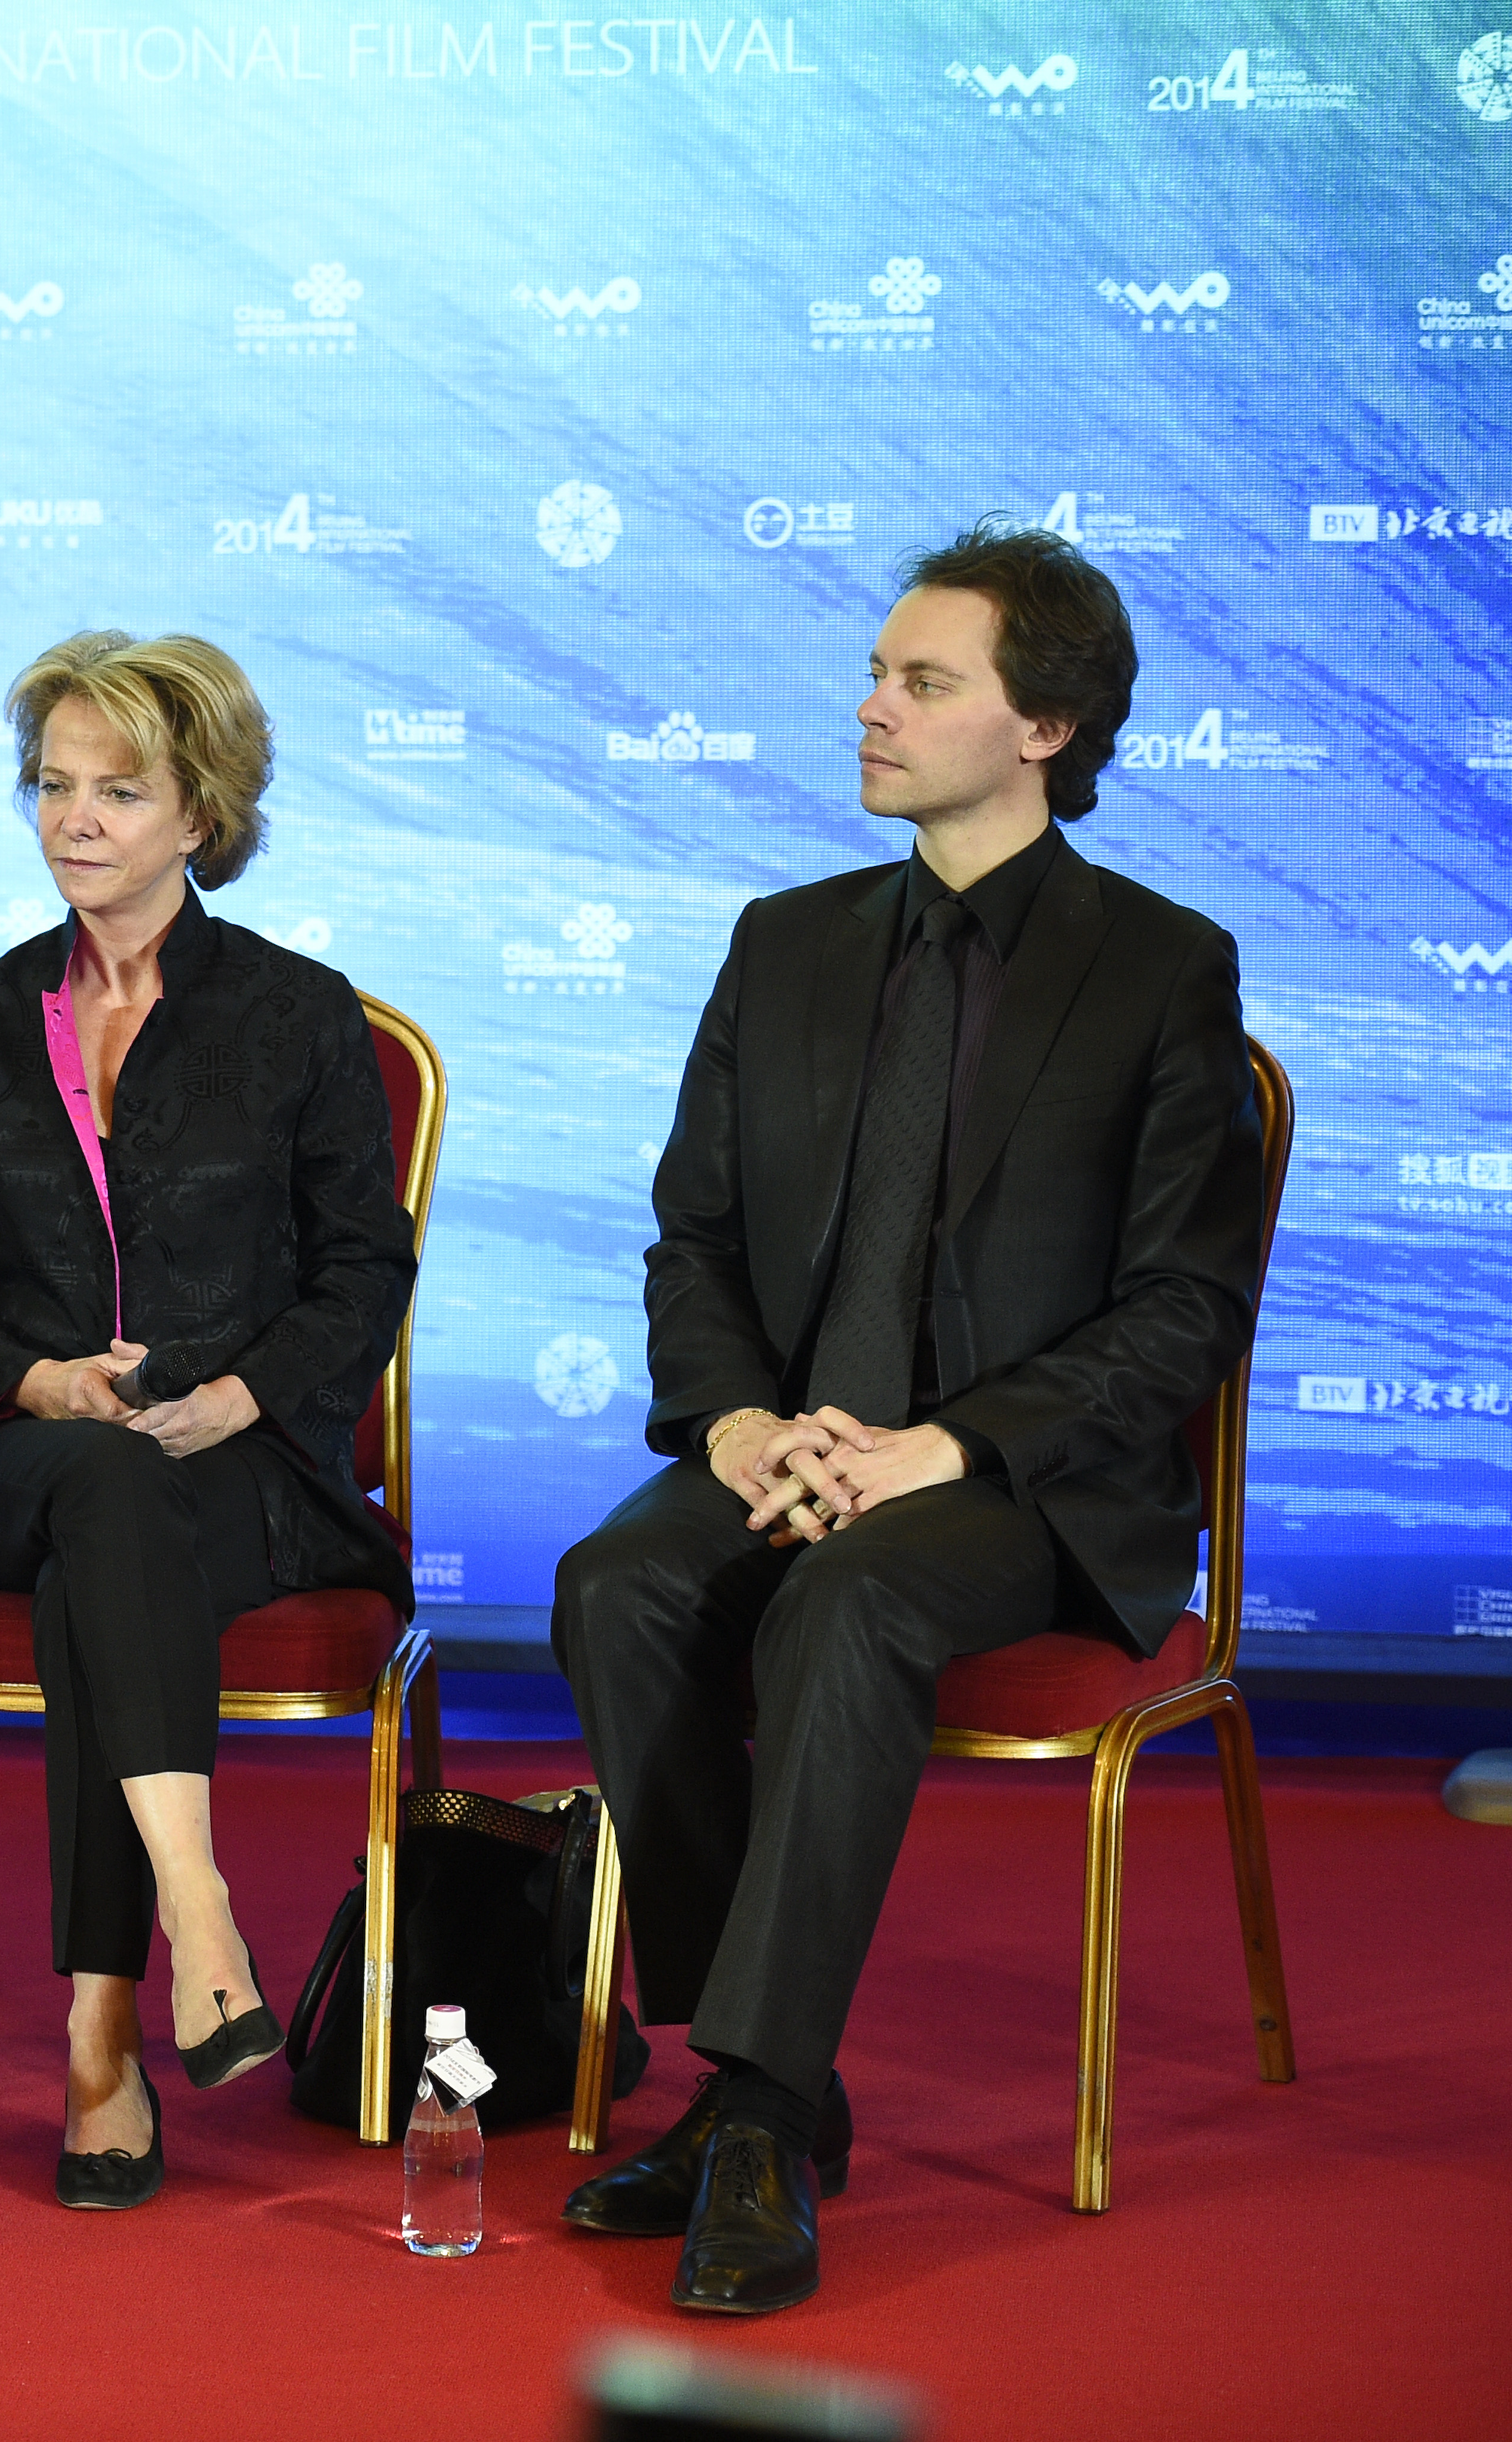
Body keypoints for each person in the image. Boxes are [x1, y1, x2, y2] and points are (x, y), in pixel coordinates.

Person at [551, 522, 1265, 2314]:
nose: (870, 706)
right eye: (877, 671)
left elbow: (1184, 1306)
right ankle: (762, 2075)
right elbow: (691, 1235)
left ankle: (759, 2118)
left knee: (850, 1598)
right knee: (616, 1584)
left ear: (1046, 725)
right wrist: (729, 1429)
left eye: (922, 682)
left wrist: (938, 1448)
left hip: (1019, 1481)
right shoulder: (782, 943)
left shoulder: (1162, 968)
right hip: (789, 1444)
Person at [0, 630, 419, 2209]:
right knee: (101, 1486)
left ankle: (105, 2033)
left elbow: (362, 1270)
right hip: (19, 1455)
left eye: (120, 788)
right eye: (53, 784)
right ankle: (202, 1916)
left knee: (115, 1545)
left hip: (247, 1467)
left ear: (204, 811)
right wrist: (45, 1382)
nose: (75, 818)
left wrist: (238, 1393)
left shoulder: (297, 1018)